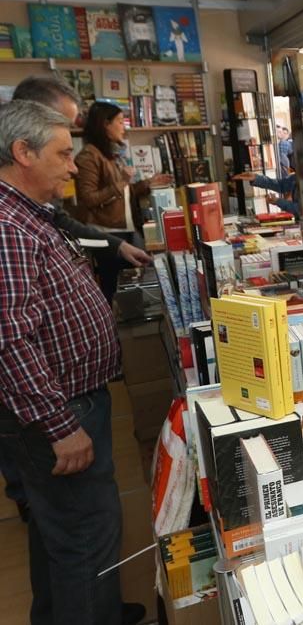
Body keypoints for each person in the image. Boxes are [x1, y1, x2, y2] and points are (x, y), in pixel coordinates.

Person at [0, 99, 124, 624]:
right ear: (21, 152)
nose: (73, 165)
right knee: (86, 538)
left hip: (66, 403)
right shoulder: (8, 227)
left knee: (63, 538)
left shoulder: (29, 213)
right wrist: (60, 425)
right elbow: (9, 340)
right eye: (61, 154)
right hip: (57, 413)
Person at [12, 77, 153, 268]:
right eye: (60, 124)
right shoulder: (9, 226)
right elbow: (89, 199)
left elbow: (59, 219)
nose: (73, 168)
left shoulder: (108, 155)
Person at [74, 101, 171, 302]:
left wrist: (147, 184)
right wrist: (121, 182)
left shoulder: (108, 155)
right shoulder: (88, 156)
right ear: (105, 124)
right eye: (119, 121)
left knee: (131, 286)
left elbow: (122, 194)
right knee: (116, 288)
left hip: (123, 229)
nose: (123, 127)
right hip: (105, 233)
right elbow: (88, 198)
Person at [232, 171, 299, 217]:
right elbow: (281, 185)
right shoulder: (300, 174)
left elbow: (300, 209)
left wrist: (278, 201)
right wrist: (256, 178)